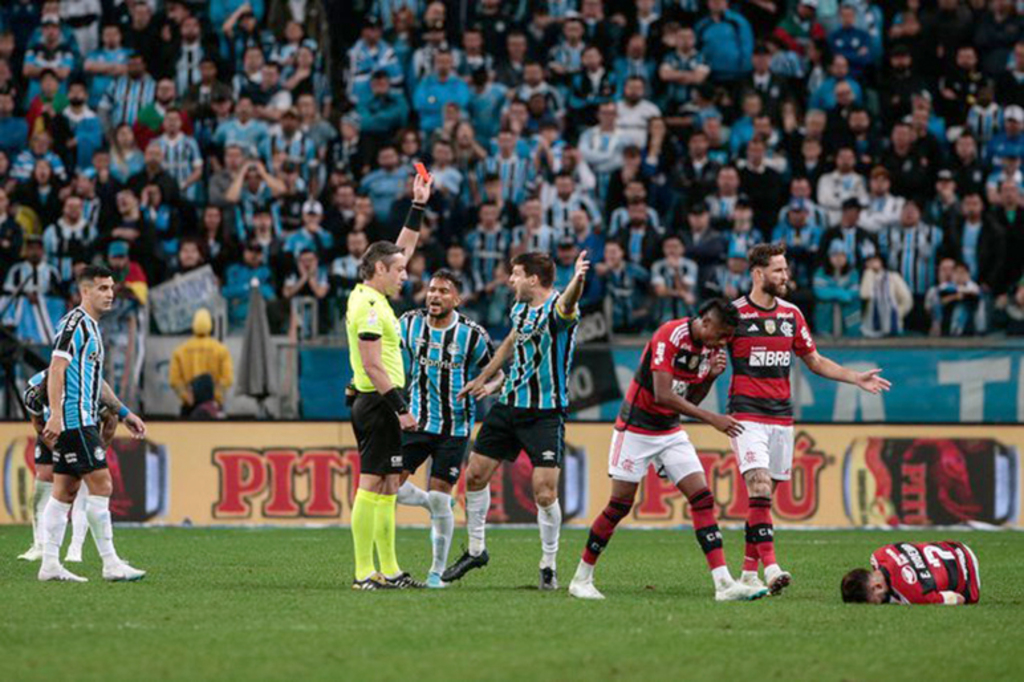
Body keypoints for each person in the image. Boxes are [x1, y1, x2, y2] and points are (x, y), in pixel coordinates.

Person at [568, 299, 768, 602]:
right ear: (706, 322)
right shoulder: (670, 335)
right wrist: (713, 419)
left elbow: (691, 399)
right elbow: (662, 394)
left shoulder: (711, 349)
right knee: (619, 505)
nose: (724, 342)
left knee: (702, 498)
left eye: (728, 337)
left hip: (669, 430)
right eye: (722, 334)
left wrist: (711, 376)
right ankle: (581, 578)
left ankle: (724, 584)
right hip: (635, 428)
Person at [727, 244, 891, 595]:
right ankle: (771, 568)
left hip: (782, 419)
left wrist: (855, 378)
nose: (786, 277)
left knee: (763, 500)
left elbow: (815, 361)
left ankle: (747, 573)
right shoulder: (734, 315)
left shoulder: (791, 315)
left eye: (785, 270)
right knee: (758, 486)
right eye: (778, 271)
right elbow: (709, 348)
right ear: (758, 274)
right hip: (746, 417)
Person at [443, 249, 590, 590]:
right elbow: (511, 343)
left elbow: (568, 303)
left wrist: (577, 280)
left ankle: (548, 565)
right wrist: (486, 379)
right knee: (475, 475)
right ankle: (476, 550)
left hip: (545, 413)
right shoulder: (520, 308)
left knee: (543, 492)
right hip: (508, 405)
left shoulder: (558, 309)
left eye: (516, 274)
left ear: (533, 279)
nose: (510, 280)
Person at [346, 171, 432, 590]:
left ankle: (390, 569)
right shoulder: (371, 309)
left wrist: (417, 205)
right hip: (379, 404)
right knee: (371, 484)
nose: (405, 274)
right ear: (379, 269)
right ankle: (365, 572)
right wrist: (402, 409)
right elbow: (373, 365)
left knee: (385, 485)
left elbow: (405, 247)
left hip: (380, 403)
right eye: (398, 270)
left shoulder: (370, 297)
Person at [37, 265, 148, 582]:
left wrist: (124, 413)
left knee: (65, 491)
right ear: (85, 291)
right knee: (103, 484)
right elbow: (56, 369)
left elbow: (95, 382)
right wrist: (56, 415)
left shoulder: (91, 327)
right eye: (102, 288)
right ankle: (111, 564)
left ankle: (49, 564)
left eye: (111, 287)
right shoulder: (75, 324)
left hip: (79, 418)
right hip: (76, 420)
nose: (110, 294)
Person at [396, 270, 503, 588]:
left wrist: (488, 385)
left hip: (454, 429)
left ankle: (435, 574)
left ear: (457, 299)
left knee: (442, 498)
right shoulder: (409, 323)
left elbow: (498, 372)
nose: (435, 296)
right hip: (415, 421)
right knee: (389, 488)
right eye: (431, 290)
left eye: (443, 291)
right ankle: (431, 503)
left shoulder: (472, 335)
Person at [16, 369, 131, 564]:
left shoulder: (89, 389)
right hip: (52, 433)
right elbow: (37, 423)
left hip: (85, 429)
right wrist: (58, 449)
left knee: (87, 486)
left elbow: (111, 420)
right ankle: (40, 545)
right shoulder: (33, 393)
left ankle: (75, 548)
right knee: (45, 482)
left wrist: (97, 454)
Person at [841, 541, 980, 606]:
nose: (880, 604)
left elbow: (959, 599)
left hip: (970, 579)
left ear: (877, 587)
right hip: (954, 546)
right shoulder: (878, 554)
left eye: (876, 602)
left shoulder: (914, 596)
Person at [169, 308, 235, 418]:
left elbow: (174, 380)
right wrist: (216, 397)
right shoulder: (221, 350)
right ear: (210, 325)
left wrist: (186, 397)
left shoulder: (180, 351)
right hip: (212, 406)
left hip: (189, 406)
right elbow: (227, 379)